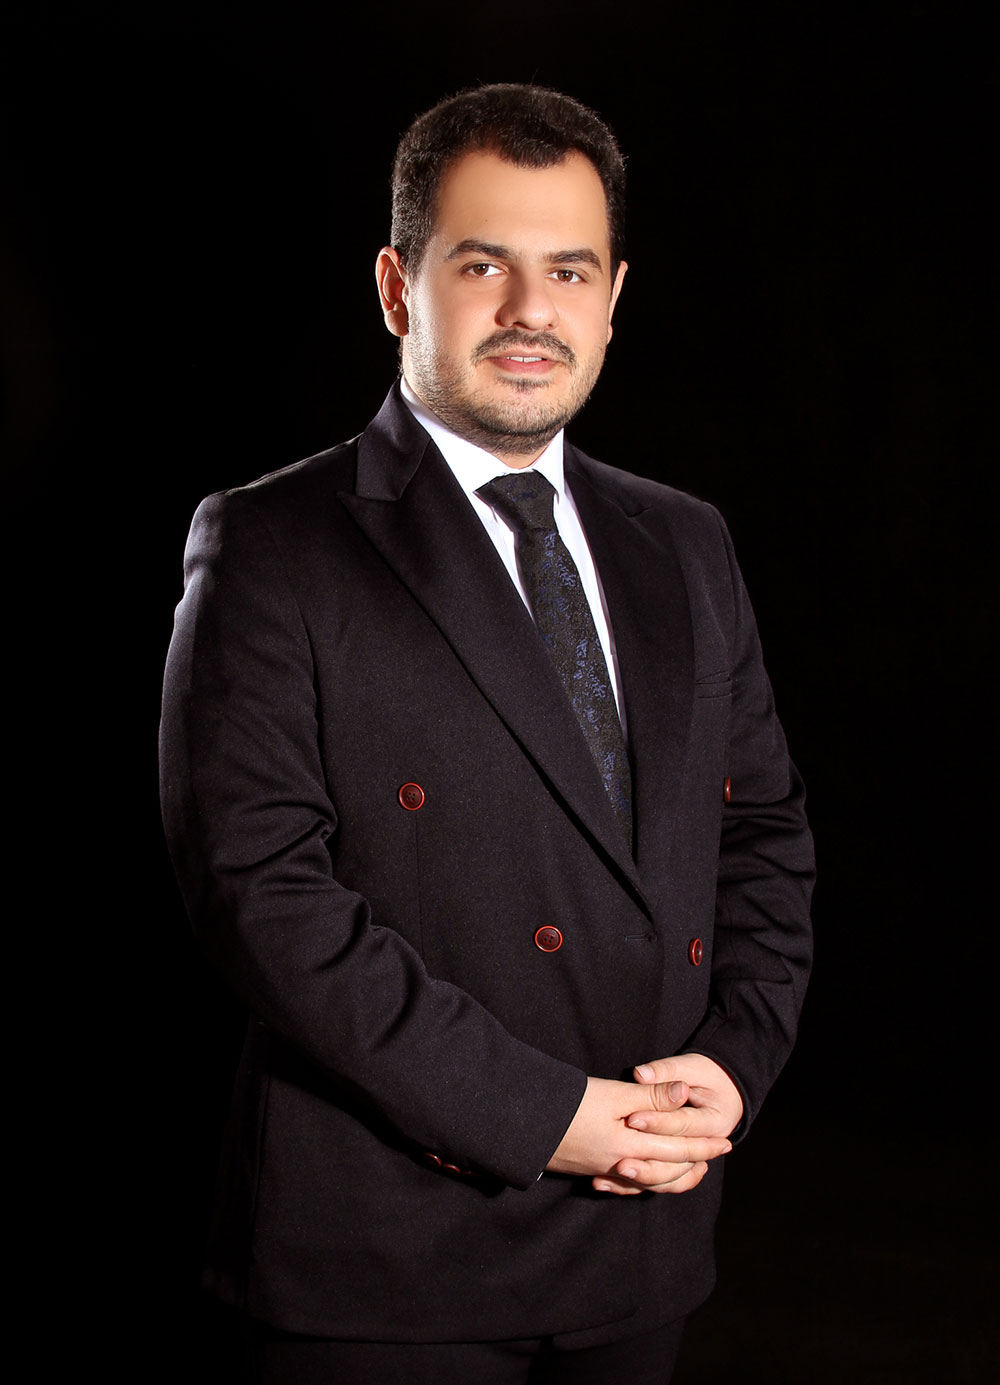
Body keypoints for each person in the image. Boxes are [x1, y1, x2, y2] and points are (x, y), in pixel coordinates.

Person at [160, 82, 814, 1384]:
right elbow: (262, 897)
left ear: (613, 297)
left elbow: (762, 834)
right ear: (397, 288)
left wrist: (734, 1065)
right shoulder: (274, 544)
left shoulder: (685, 541)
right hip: (387, 1259)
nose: (530, 310)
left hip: (643, 1234)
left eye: (567, 270)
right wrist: (543, 1113)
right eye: (482, 265)